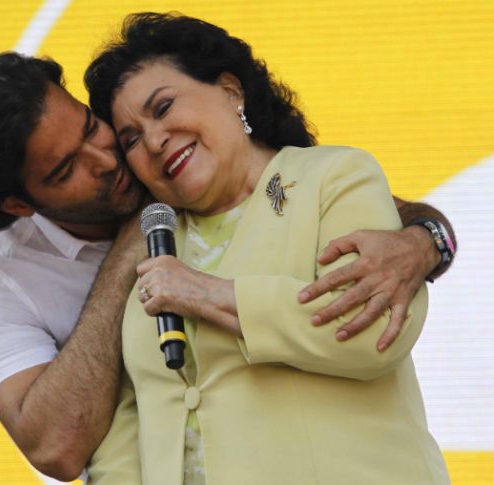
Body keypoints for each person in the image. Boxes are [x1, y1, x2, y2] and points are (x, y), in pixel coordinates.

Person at [0, 49, 455, 482]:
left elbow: (361, 209)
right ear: (18, 205)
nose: (108, 159)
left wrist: (424, 240)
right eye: (69, 168)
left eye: (93, 128)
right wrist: (131, 249)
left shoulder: (185, 171)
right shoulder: (0, 273)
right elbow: (58, 446)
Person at [84, 12, 452, 484]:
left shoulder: (334, 177)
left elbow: (371, 334)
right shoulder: (153, 240)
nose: (154, 141)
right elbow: (130, 420)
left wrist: (207, 293)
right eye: (131, 139)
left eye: (163, 108)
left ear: (231, 91)